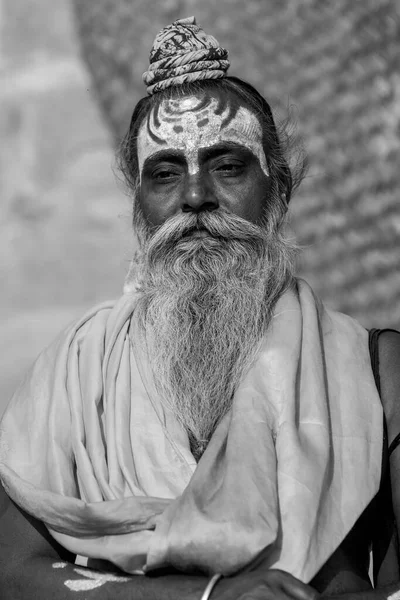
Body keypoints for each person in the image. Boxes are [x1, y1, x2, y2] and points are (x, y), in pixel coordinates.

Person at [0, 15, 400, 600]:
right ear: (139, 208)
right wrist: (211, 597)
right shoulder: (72, 375)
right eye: (164, 174)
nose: (194, 198)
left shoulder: (378, 370)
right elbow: (14, 575)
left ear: (280, 189)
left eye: (228, 165)